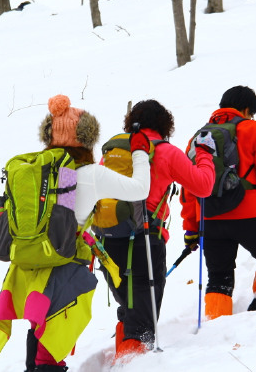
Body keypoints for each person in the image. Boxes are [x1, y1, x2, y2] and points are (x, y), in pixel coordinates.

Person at [0, 95, 151, 371]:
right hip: (65, 265)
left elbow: (10, 219)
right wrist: (139, 151)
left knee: (38, 332)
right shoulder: (91, 174)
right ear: (86, 138)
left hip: (30, 266)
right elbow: (140, 190)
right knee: (51, 347)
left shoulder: (35, 171)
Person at [99, 99, 214, 360]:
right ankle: (132, 363)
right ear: (164, 124)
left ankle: (122, 358)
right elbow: (204, 186)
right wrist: (204, 156)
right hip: (146, 243)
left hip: (108, 241)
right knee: (141, 320)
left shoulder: (114, 153)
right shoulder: (166, 152)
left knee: (129, 308)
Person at [180, 86, 256, 319]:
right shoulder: (253, 129)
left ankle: (216, 323)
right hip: (249, 215)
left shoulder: (198, 137)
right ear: (247, 109)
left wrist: (191, 226)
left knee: (218, 275)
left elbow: (189, 187)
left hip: (208, 217)